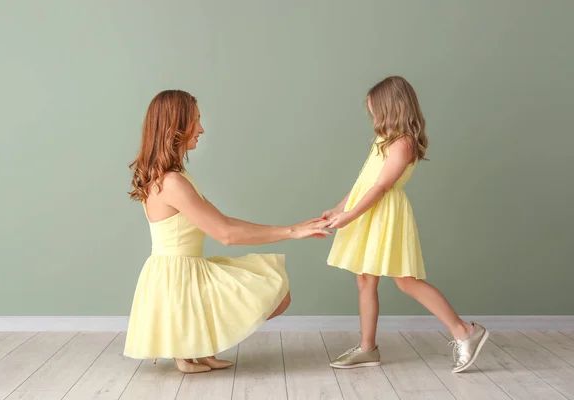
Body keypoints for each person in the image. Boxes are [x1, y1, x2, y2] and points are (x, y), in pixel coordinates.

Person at [123, 90, 331, 373]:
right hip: (177, 278)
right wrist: (292, 232)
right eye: (196, 121)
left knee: (277, 293)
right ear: (176, 128)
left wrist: (293, 228)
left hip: (181, 271)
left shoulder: (175, 178)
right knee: (273, 291)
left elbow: (223, 221)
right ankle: (186, 347)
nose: (202, 129)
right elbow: (226, 234)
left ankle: (199, 346)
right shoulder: (171, 183)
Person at [323, 76, 488, 373]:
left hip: (383, 214)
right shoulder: (383, 141)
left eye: (375, 110)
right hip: (367, 210)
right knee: (364, 279)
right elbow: (364, 182)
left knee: (405, 280)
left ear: (391, 108)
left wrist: (349, 216)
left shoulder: (403, 144)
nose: (372, 116)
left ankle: (466, 331)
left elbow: (381, 188)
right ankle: (367, 348)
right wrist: (339, 207)